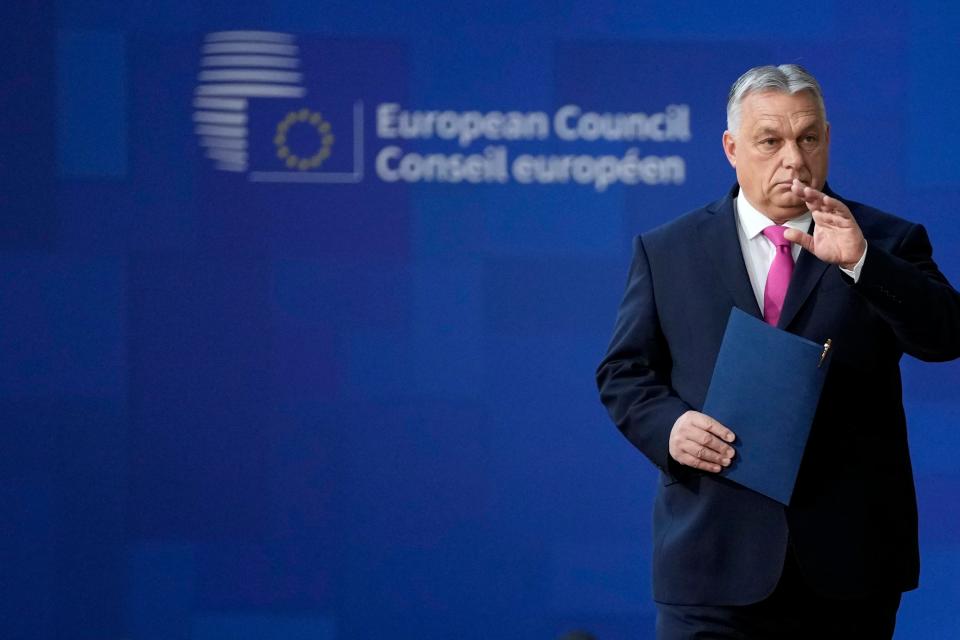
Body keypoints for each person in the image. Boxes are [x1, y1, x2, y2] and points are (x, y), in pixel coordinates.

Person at [595, 64, 960, 639]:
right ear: (732, 148)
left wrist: (863, 265)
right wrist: (669, 427)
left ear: (828, 140)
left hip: (848, 568)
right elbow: (624, 371)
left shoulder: (887, 241)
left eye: (808, 137)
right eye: (771, 140)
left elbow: (944, 338)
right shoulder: (668, 250)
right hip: (711, 561)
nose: (794, 157)